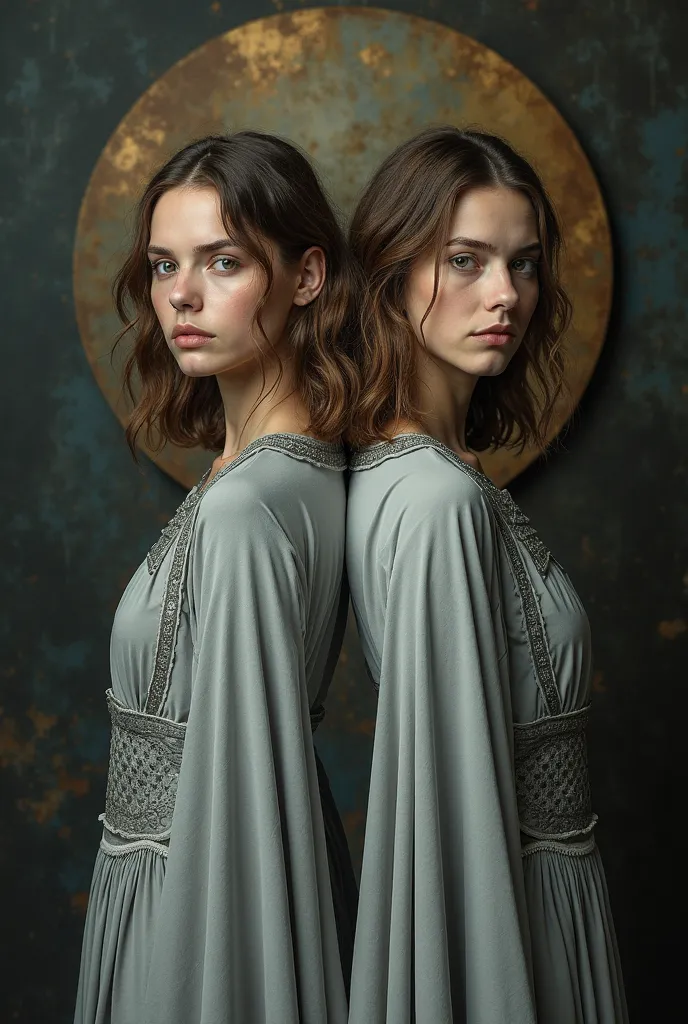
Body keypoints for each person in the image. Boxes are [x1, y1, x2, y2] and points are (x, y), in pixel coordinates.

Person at [345, 125, 628, 1023]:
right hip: (520, 929)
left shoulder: (435, 477)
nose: (506, 294)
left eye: (525, 264)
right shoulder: (435, 502)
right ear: (391, 276)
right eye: (465, 260)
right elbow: (447, 825)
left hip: (550, 902)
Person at [74, 131, 358, 1024]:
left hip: (196, 915)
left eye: (223, 261)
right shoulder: (262, 477)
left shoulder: (251, 505)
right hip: (162, 883)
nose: (181, 296)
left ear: (307, 276)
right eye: (163, 265)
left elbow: (241, 800)